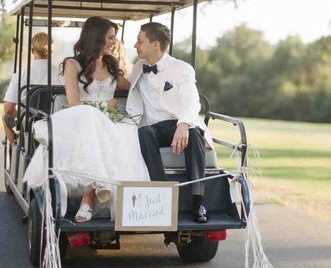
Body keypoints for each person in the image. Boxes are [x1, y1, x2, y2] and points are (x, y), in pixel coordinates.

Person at [23, 17, 150, 222]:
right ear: (97, 37)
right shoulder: (72, 64)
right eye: (110, 37)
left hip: (107, 121)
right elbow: (74, 102)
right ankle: (94, 191)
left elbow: (130, 85)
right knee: (92, 122)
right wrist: (103, 106)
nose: (113, 42)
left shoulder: (111, 63)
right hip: (79, 118)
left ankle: (91, 195)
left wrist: (144, 65)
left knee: (129, 130)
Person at [126, 22, 213, 223]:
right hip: (153, 127)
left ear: (155, 44)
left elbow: (192, 100)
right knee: (144, 133)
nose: (135, 45)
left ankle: (198, 202)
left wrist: (183, 125)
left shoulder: (181, 68)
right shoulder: (139, 67)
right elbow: (124, 83)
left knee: (193, 134)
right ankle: (162, 197)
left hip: (178, 122)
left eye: (140, 41)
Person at [3, 32, 60, 144]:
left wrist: (18, 120)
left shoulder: (21, 74)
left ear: (32, 50)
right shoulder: (61, 75)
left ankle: (17, 146)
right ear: (51, 50)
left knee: (5, 117)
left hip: (29, 124)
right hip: (54, 123)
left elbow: (8, 108)